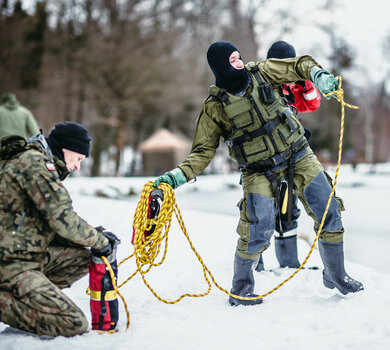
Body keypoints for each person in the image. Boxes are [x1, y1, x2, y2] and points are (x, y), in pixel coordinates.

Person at [153, 41, 363, 306]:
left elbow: (300, 65)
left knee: (329, 211)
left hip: (298, 155)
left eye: (239, 57)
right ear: (220, 66)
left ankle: (337, 275)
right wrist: (174, 178)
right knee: (257, 231)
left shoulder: (263, 72)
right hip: (257, 171)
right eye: (233, 59)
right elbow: (202, 153)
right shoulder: (214, 107)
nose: (240, 62)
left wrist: (319, 76)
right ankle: (241, 289)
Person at [0, 122, 120, 337]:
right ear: (66, 149)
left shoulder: (35, 161)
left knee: (83, 258)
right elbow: (62, 220)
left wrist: (95, 234)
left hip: (24, 254)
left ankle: (32, 297)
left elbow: (54, 228)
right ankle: (14, 300)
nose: (77, 167)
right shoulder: (35, 164)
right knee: (73, 323)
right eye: (79, 159)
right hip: (10, 262)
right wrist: (99, 242)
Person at [255, 40, 322, 271]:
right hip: (263, 160)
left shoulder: (293, 87)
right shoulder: (259, 84)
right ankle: (255, 264)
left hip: (290, 157)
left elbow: (313, 104)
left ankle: (288, 264)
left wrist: (304, 82)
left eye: (290, 63)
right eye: (283, 63)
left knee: (288, 208)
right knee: (261, 210)